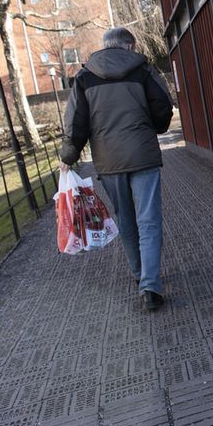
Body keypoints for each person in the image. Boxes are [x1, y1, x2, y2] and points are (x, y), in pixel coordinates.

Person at [59, 27, 173, 312]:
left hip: (108, 160)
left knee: (126, 219)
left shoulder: (85, 77)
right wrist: (154, 127)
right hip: (143, 154)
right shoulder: (143, 69)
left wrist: (69, 155)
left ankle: (138, 275)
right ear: (129, 47)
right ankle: (150, 286)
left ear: (106, 46)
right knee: (149, 221)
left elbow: (76, 122)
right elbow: (163, 105)